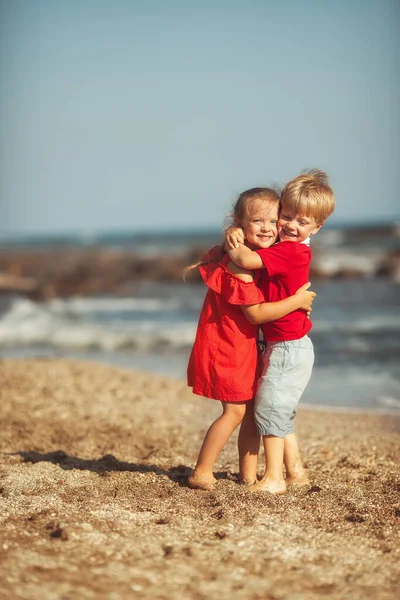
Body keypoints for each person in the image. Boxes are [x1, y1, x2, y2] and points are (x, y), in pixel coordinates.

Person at [185, 187, 316, 490]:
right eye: (258, 221)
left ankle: (248, 475)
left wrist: (236, 230)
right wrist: (296, 302)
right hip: (227, 344)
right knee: (235, 411)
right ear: (242, 224)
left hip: (243, 345)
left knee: (251, 412)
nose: (269, 228)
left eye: (274, 221)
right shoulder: (242, 266)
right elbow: (255, 315)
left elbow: (303, 226)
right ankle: (202, 471)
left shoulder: (259, 254)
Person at [226, 169, 335, 494]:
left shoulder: (289, 250)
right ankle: (295, 471)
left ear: (316, 227)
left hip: (289, 348)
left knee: (270, 408)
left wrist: (233, 236)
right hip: (284, 344)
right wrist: (237, 226)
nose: (289, 226)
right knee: (279, 408)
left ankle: (274, 478)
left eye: (302, 222)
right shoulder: (293, 244)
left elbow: (245, 258)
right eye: (285, 216)